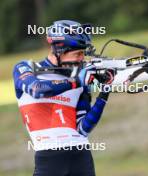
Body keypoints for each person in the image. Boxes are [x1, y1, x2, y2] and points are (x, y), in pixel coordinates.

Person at [13, 20, 113, 176]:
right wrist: (77, 82)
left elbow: (83, 129)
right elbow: (38, 90)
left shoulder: (77, 78)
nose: (82, 59)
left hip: (81, 156)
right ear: (59, 50)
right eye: (77, 54)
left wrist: (104, 93)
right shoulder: (26, 68)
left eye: (83, 54)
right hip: (49, 158)